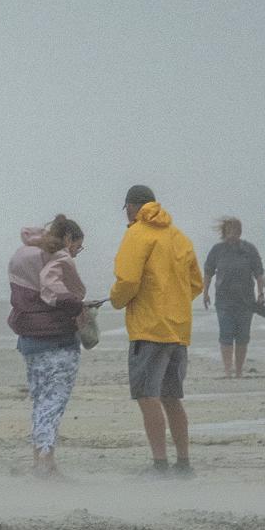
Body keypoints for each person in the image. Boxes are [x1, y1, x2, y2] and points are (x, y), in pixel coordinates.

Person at [109, 185, 205, 477]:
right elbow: (196, 283)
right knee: (171, 396)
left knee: (147, 395)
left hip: (149, 328)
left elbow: (127, 280)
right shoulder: (179, 237)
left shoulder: (137, 233)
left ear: (132, 206)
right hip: (178, 329)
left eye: (125, 206)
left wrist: (116, 300)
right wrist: (173, 303)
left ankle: (160, 463)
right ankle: (184, 463)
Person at [7, 214, 89, 478]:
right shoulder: (59, 257)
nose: (75, 254)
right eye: (77, 247)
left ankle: (41, 461)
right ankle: (45, 460)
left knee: (41, 401)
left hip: (29, 339)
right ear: (67, 239)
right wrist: (77, 305)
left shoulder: (24, 253)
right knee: (54, 402)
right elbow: (51, 287)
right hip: (58, 339)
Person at [203, 217, 265, 378]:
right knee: (226, 334)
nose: (232, 234)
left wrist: (261, 294)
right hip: (224, 301)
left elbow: (259, 273)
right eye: (229, 231)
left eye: (236, 231)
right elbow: (208, 272)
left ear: (240, 232)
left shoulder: (249, 249)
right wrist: (205, 293)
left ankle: (238, 371)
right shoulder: (217, 250)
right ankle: (227, 370)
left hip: (246, 300)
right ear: (224, 232)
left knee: (243, 336)